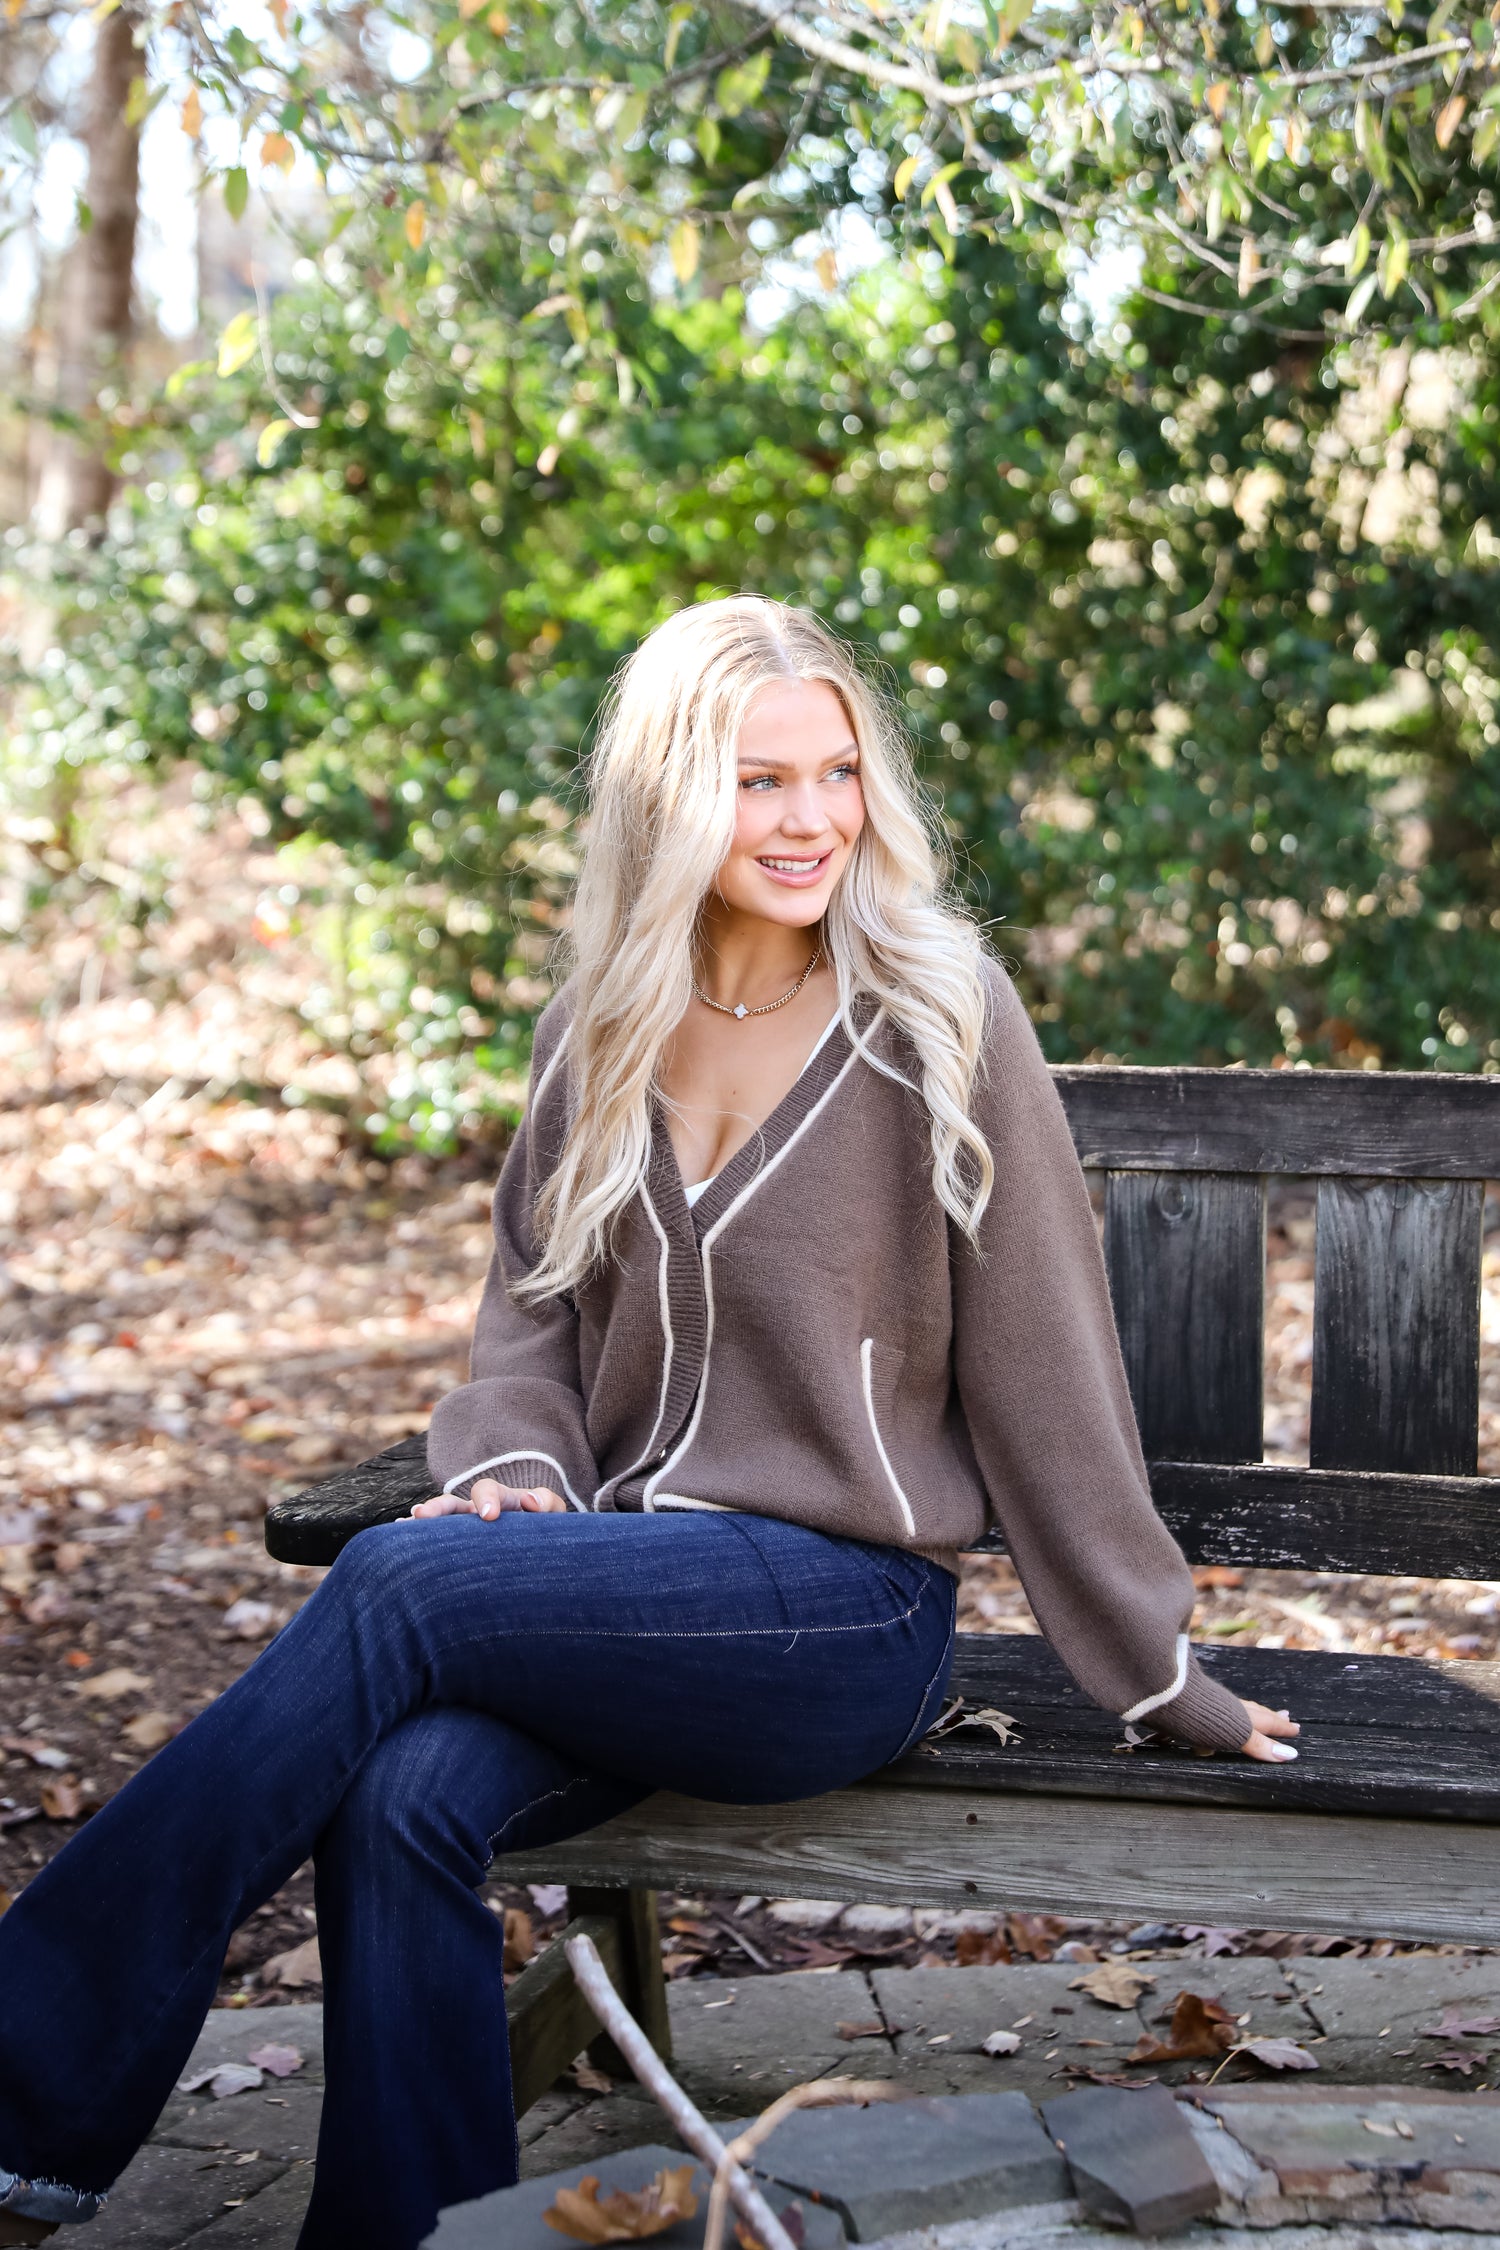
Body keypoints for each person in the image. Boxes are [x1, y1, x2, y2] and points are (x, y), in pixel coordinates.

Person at [0, 596, 1298, 2250]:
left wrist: (1157, 1666)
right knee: (402, 1787)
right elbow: (524, 1327)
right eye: (761, 780)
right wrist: (525, 1471)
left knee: (399, 1587)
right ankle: (415, 2230)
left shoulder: (941, 1016)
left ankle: (26, 2088)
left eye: (836, 773)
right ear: (672, 795)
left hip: (843, 1613)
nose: (813, 817)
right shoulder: (599, 1027)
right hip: (620, 1591)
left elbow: (1050, 1370)